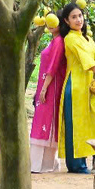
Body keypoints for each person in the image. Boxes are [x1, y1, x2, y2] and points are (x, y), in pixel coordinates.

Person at [60, 3, 95, 174]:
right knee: (77, 124)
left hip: (90, 86)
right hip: (75, 86)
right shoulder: (70, 38)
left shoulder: (87, 38)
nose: (78, 20)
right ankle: (76, 165)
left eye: (80, 16)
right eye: (74, 17)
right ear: (66, 21)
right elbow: (88, 62)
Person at [29, 17, 68, 174]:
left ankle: (44, 164)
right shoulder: (54, 40)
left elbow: (53, 67)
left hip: (52, 86)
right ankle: (39, 164)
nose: (52, 25)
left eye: (56, 22)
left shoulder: (59, 41)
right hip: (45, 86)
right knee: (42, 121)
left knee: (46, 121)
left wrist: (44, 89)